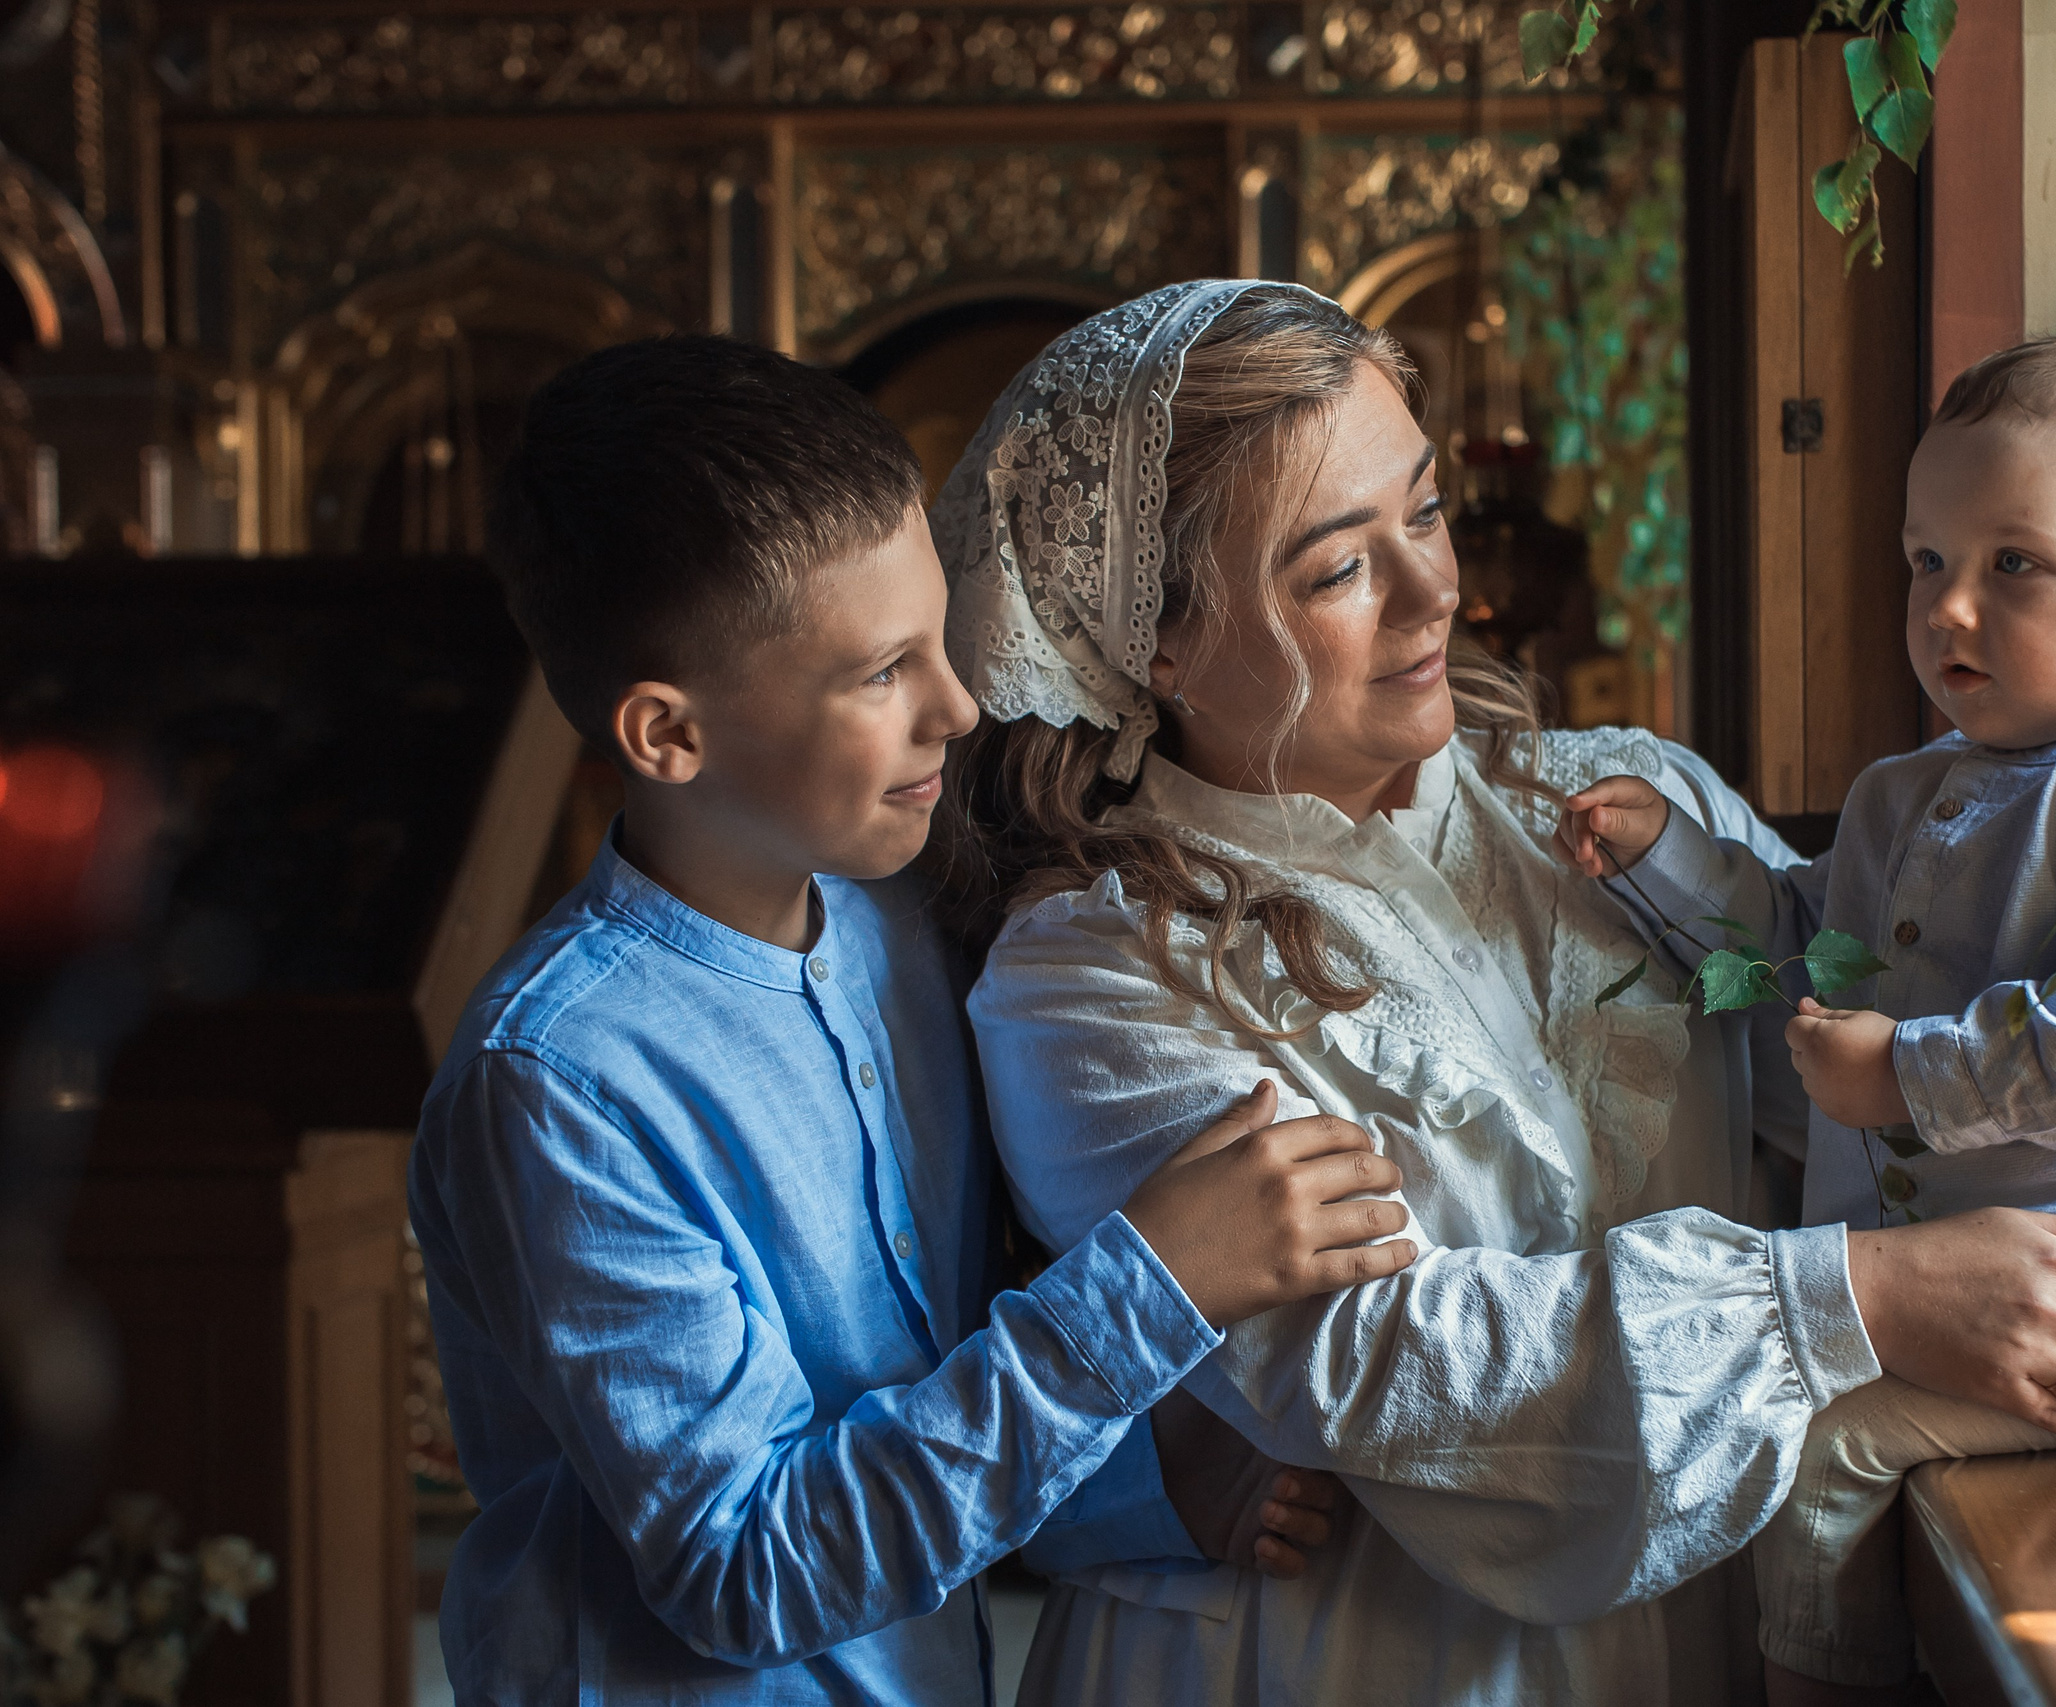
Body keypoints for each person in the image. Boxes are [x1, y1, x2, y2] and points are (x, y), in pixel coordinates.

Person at [940, 282, 2056, 1705]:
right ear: (1156, 640)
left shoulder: (1622, 802)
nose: (1437, 594)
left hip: (1702, 1642)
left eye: (1426, 513)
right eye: (1338, 570)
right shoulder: (1095, 978)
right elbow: (1367, 1364)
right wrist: (1856, 1299)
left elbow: (1893, 1028)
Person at [407, 335, 1420, 1704]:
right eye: (883, 672)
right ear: (669, 735)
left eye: (939, 640)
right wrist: (1155, 1285)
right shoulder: (557, 1081)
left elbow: (908, 1395)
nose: (956, 704)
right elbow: (745, 1567)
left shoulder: (902, 928)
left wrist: (1148, 1489)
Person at [1555, 320, 2056, 1705]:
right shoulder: (1905, 792)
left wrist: (1906, 1081)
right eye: (1927, 562)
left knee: (1813, 1440)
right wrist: (1667, 863)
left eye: (2014, 565)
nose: (1949, 610)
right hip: (1984, 1281)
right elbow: (1809, 958)